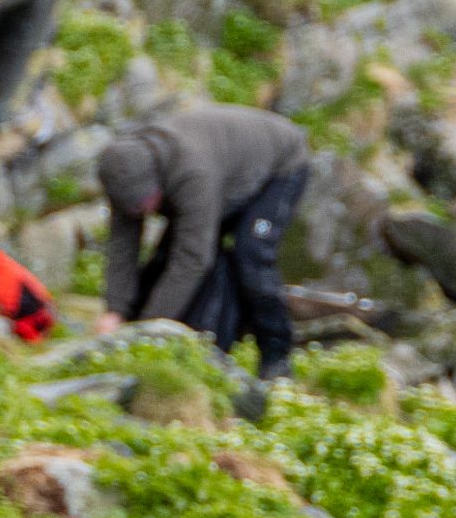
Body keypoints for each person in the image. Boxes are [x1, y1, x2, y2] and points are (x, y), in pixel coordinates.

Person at [95, 104, 313, 378]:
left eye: (146, 204)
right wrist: (115, 311)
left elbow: (192, 260)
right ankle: (206, 342)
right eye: (135, 211)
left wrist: (147, 332)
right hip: (223, 172)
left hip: (279, 164)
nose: (145, 213)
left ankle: (276, 357)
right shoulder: (123, 176)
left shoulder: (192, 173)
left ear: (157, 181)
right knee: (164, 260)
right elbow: (122, 248)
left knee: (251, 254)